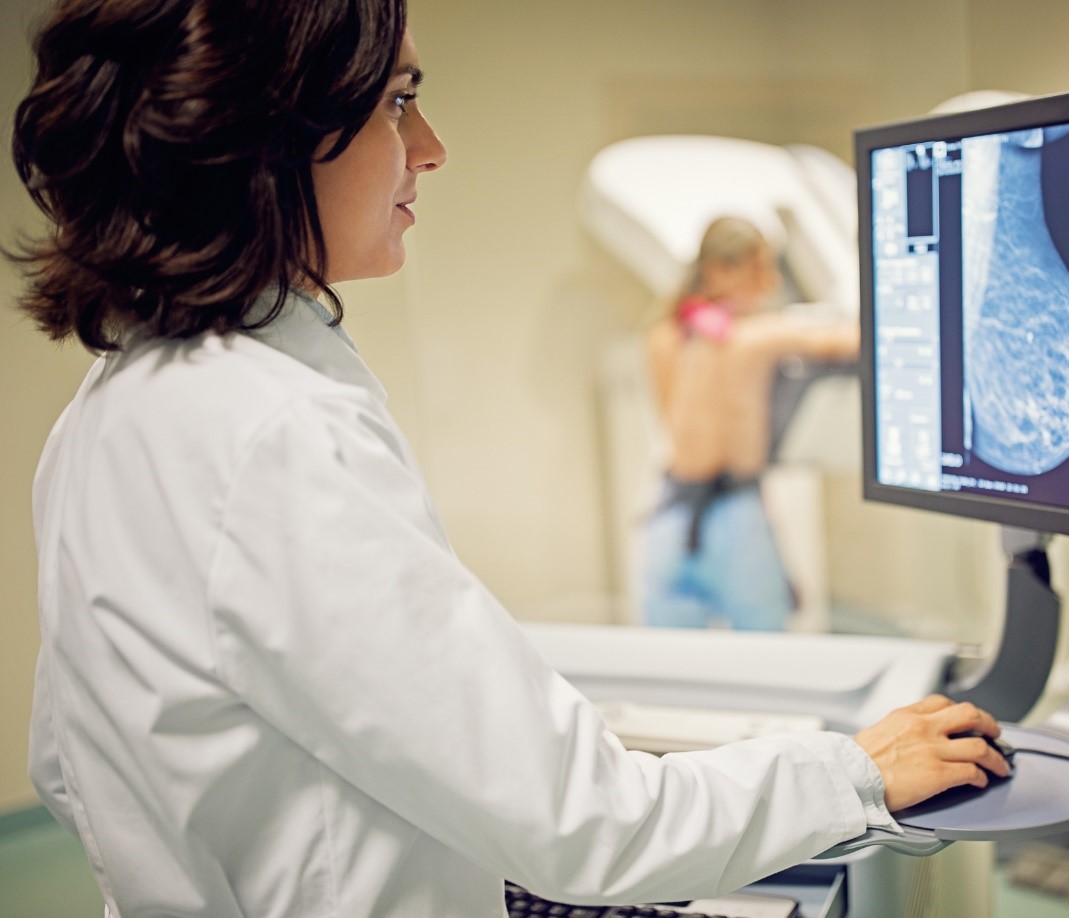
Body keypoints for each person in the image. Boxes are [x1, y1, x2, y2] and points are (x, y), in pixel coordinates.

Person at [11, 2, 1011, 915]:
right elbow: (592, 824)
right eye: (398, 102)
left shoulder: (109, 408)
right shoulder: (274, 434)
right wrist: (850, 772)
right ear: (267, 136)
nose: (431, 148)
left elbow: (67, 764)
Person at [643, 217, 858, 630]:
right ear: (717, 271)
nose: (771, 282)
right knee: (765, 648)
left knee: (671, 656)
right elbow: (852, 341)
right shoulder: (755, 338)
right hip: (733, 516)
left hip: (669, 517)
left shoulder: (662, 338)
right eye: (759, 268)